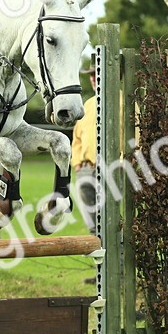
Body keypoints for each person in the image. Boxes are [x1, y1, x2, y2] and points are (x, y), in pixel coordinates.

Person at [69, 59, 99, 230]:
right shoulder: (87, 104)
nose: (93, 79)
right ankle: (96, 241)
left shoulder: (122, 100)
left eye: (96, 74)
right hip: (87, 167)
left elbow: (136, 133)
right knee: (90, 214)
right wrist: (78, 163)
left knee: (110, 212)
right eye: (91, 76)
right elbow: (77, 137)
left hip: (114, 167)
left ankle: (115, 248)